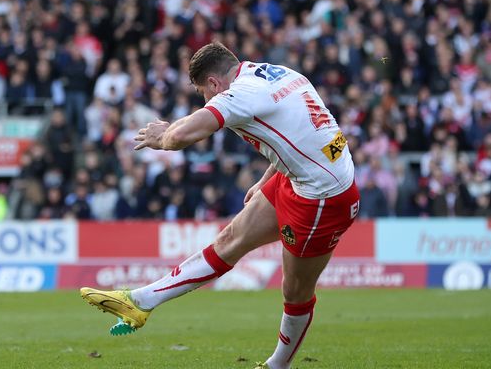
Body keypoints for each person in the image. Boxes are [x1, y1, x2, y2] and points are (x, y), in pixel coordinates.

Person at [81, 43, 359, 369]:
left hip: (324, 197)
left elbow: (182, 136)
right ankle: (140, 301)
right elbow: (303, 131)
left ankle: (277, 366)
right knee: (230, 240)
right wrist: (269, 175)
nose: (205, 99)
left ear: (214, 83)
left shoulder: (241, 93)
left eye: (203, 92)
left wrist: (162, 135)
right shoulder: (277, 73)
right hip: (299, 176)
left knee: (295, 290)